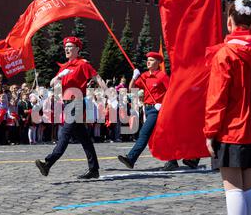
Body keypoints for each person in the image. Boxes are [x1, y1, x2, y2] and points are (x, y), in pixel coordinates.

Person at [204, 0, 251, 215]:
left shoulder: (225, 54)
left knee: (233, 188)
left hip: (230, 129)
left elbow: (217, 97)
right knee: (249, 186)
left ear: (230, 22)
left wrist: (209, 131)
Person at [35, 36, 107, 179]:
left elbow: (97, 78)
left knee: (64, 134)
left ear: (77, 49)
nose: (67, 49)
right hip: (67, 104)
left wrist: (109, 93)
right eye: (66, 47)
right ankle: (94, 169)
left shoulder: (82, 64)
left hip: (77, 104)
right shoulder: (64, 67)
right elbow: (51, 83)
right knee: (85, 139)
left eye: (70, 47)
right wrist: (59, 76)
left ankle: (48, 163)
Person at [117, 52, 169, 169]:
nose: (148, 61)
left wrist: (163, 104)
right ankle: (174, 161)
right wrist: (134, 77)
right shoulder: (144, 75)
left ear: (158, 63)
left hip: (157, 110)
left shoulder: (162, 76)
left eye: (151, 60)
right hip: (147, 109)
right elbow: (132, 88)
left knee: (144, 134)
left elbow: (171, 92)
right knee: (162, 136)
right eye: (148, 60)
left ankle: (131, 158)